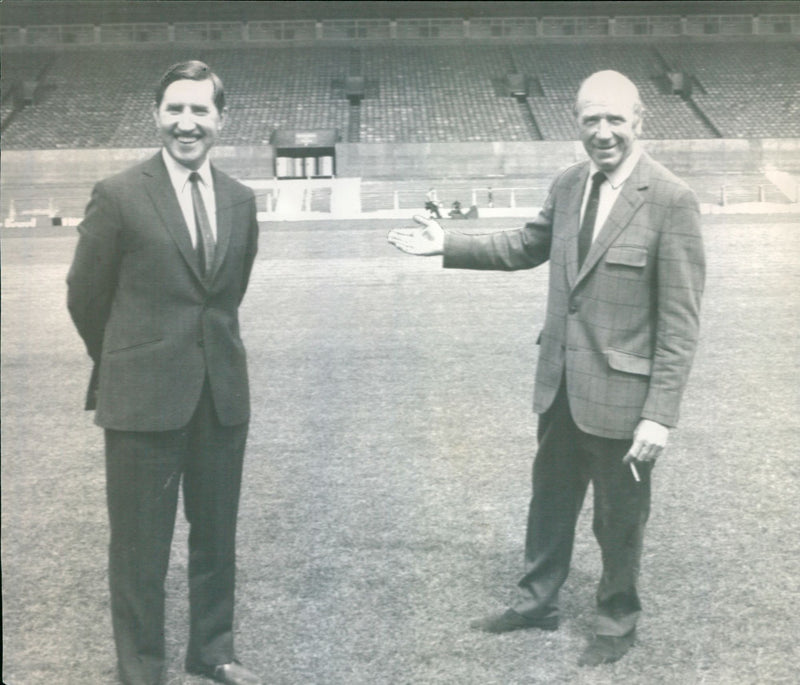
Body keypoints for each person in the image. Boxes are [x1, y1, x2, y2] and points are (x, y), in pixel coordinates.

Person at [388, 70, 704, 667]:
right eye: (592, 120)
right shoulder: (567, 185)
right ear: (577, 124)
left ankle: (616, 617)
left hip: (623, 398)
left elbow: (680, 322)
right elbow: (526, 245)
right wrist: (447, 245)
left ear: (640, 121)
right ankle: (537, 602)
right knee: (550, 502)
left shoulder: (670, 200)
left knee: (619, 519)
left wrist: (659, 415)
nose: (603, 132)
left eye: (615, 119)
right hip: (559, 385)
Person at [67, 61, 262, 685]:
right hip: (141, 400)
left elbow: (227, 294)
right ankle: (142, 668)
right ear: (157, 115)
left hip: (220, 398)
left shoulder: (239, 198)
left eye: (200, 110)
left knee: (216, 539)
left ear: (219, 119)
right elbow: (85, 296)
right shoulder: (119, 193)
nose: (187, 123)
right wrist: (128, 359)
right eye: (175, 109)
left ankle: (213, 652)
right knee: (139, 548)